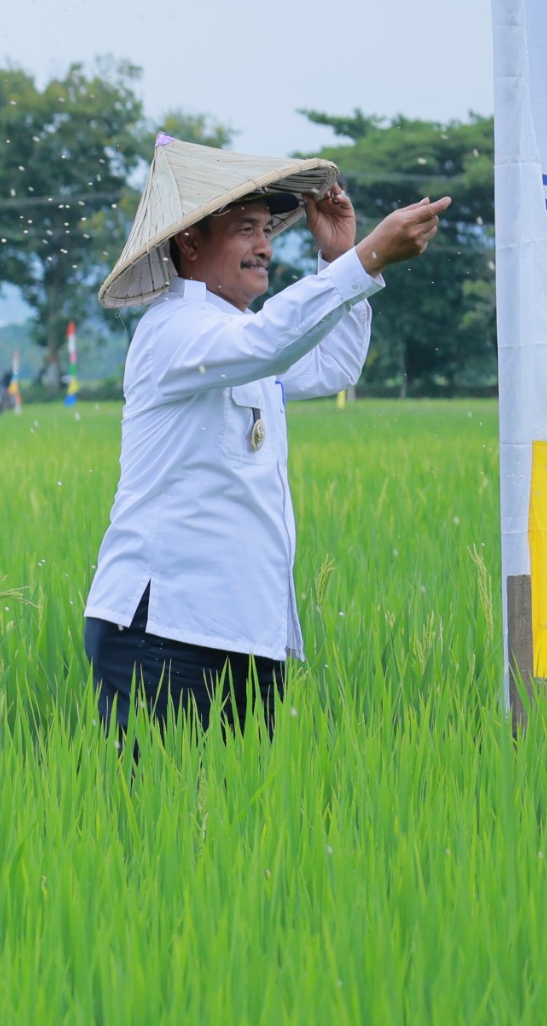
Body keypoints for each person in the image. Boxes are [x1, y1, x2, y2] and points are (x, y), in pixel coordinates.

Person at [82, 134, 451, 737]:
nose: (264, 248)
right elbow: (267, 344)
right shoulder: (174, 330)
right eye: (246, 229)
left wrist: (338, 259)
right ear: (190, 240)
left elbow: (332, 366)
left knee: (235, 823)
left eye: (268, 231)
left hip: (240, 627)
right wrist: (367, 261)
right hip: (164, 626)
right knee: (164, 821)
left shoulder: (236, 334)